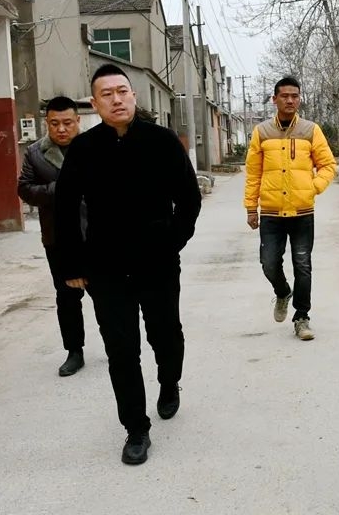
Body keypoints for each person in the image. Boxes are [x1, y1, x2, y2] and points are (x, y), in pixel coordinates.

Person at [55, 64, 201, 465]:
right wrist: (72, 265)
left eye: (122, 91)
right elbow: (64, 210)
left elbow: (189, 199)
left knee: (166, 335)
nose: (117, 99)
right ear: (94, 103)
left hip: (157, 263)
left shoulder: (162, 141)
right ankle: (136, 429)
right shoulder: (84, 150)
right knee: (121, 350)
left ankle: (169, 382)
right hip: (105, 268)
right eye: (107, 94)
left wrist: (171, 241)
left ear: (134, 95)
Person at [244, 76, 337, 340]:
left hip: (302, 212)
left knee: (303, 265)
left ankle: (302, 317)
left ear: (299, 99)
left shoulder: (310, 130)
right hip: (271, 213)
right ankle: (283, 292)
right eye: (284, 96)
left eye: (295, 96)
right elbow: (253, 173)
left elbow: (328, 165)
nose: (290, 100)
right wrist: (251, 207)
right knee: (269, 263)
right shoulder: (262, 132)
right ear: (274, 99)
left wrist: (312, 187)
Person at [17, 96, 88, 377]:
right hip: (57, 237)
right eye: (54, 123)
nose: (61, 129)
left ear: (77, 121)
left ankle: (116, 344)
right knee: (67, 297)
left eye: (67, 123)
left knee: (108, 294)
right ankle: (74, 351)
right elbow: (25, 190)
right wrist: (59, 189)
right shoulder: (35, 153)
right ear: (46, 123)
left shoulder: (94, 147)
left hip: (97, 234)